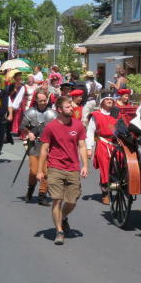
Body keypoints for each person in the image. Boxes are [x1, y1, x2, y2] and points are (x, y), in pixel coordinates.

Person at [36, 96, 88, 245]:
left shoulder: (78, 125)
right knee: (57, 199)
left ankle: (63, 217)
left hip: (73, 168)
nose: (71, 109)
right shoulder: (51, 127)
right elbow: (44, 150)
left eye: (71, 106)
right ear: (59, 110)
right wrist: (40, 171)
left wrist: (85, 165)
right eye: (68, 107)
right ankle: (59, 231)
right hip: (55, 167)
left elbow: (82, 146)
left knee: (72, 201)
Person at [20, 90, 57, 205]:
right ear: (36, 100)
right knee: (34, 171)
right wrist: (29, 132)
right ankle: (30, 190)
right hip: (34, 145)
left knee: (46, 172)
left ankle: (42, 195)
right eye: (40, 100)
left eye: (44, 100)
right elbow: (22, 125)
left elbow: (58, 128)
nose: (42, 102)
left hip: (47, 146)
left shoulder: (53, 114)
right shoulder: (30, 112)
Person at [86, 93, 118, 204]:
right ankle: (105, 193)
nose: (109, 100)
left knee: (120, 166)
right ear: (102, 102)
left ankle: (117, 187)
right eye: (107, 99)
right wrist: (89, 148)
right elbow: (90, 132)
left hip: (116, 143)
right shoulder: (96, 115)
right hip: (103, 143)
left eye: (111, 99)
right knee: (105, 168)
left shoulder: (117, 114)